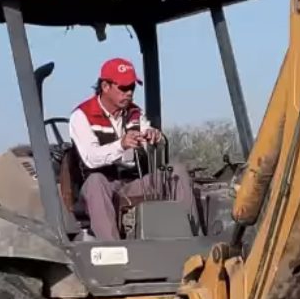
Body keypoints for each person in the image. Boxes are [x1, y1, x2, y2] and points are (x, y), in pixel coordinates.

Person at [68, 57, 203, 240]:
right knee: (96, 182)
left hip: (132, 183)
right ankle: (113, 251)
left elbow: (148, 135)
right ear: (105, 86)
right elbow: (90, 158)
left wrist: (154, 138)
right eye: (123, 88)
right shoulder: (82, 116)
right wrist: (121, 144)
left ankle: (193, 239)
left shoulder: (135, 113)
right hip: (102, 186)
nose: (129, 93)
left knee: (176, 172)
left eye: (132, 87)